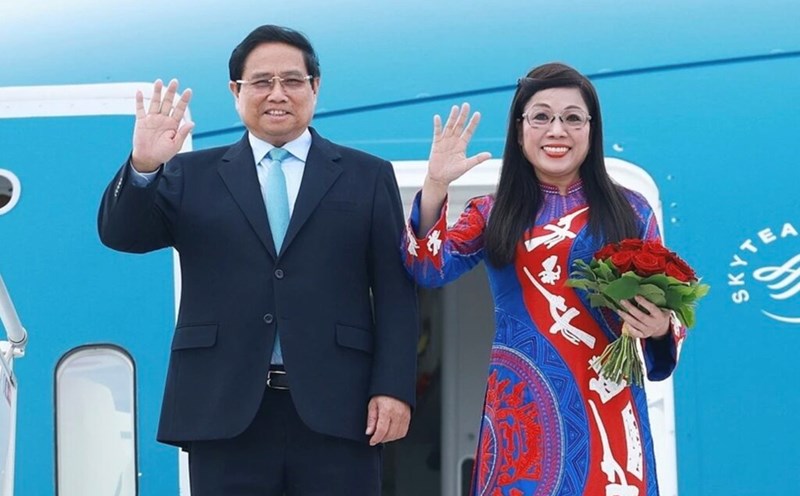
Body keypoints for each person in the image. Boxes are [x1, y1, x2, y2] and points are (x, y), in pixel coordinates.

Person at [98, 24, 419, 496]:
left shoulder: (366, 175)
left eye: (292, 80)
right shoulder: (190, 173)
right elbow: (121, 235)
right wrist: (144, 166)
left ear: (315, 87)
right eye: (261, 81)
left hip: (339, 406)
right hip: (223, 406)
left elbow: (396, 291)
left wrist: (393, 387)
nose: (278, 94)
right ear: (235, 91)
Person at [402, 62, 685, 495]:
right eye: (541, 117)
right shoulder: (490, 212)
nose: (557, 130)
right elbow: (427, 266)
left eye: (573, 118)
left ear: (592, 131)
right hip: (523, 414)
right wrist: (436, 186)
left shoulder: (632, 210)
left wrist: (662, 326)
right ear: (519, 131)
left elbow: (670, 310)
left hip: (608, 408)